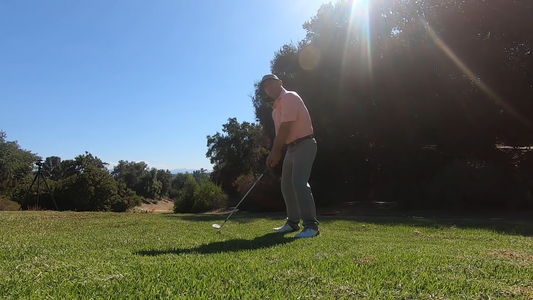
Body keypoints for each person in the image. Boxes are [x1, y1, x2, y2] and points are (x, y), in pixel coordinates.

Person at [260, 74, 320, 238]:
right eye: (265, 86)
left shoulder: (289, 97)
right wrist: (274, 152)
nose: (269, 88)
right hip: (291, 148)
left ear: (280, 83)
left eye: (271, 84)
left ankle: (311, 226)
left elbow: (286, 128)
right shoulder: (275, 109)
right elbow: (279, 134)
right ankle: (292, 223)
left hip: (305, 144)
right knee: (286, 185)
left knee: (299, 182)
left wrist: (276, 152)